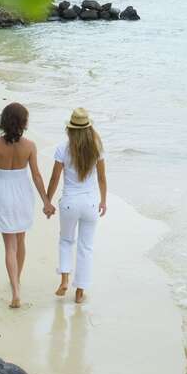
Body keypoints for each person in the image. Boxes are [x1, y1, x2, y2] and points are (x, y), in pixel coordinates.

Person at [0, 102, 54, 308]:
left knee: (9, 245)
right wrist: (46, 201)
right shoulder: (30, 146)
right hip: (23, 192)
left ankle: (15, 289)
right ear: (23, 122)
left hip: (3, 191)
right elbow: (37, 175)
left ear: (4, 121)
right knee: (21, 239)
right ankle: (17, 280)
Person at [47, 107, 107, 304]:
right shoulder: (97, 148)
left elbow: (55, 178)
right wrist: (103, 200)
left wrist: (47, 201)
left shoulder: (62, 149)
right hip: (90, 204)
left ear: (70, 129)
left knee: (66, 241)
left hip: (70, 203)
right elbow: (102, 178)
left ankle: (64, 278)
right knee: (86, 247)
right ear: (89, 128)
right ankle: (80, 291)